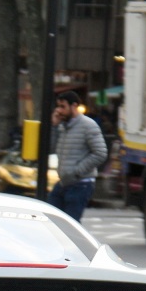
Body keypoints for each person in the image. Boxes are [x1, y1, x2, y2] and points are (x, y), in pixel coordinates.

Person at [47, 90, 108, 221]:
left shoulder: (88, 125)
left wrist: (77, 171)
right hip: (64, 182)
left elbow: (100, 153)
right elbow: (50, 148)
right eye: (58, 106)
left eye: (63, 107)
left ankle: (74, 242)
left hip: (80, 184)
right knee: (51, 219)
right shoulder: (62, 126)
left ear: (74, 106)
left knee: (71, 223)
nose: (59, 110)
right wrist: (54, 126)